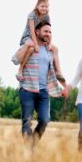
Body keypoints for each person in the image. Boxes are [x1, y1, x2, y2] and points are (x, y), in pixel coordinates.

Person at [19, 20, 66, 148]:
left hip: (43, 92)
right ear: (37, 32)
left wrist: (65, 85)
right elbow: (16, 59)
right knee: (27, 122)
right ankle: (28, 152)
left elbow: (58, 72)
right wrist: (24, 47)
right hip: (27, 89)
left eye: (50, 32)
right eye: (46, 31)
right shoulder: (29, 46)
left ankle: (31, 146)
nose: (48, 34)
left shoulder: (52, 50)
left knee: (45, 120)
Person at [12, 0, 65, 83]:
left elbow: (49, 29)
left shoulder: (47, 16)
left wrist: (50, 43)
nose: (44, 8)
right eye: (42, 6)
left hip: (39, 37)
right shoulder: (31, 15)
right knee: (32, 48)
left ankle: (58, 72)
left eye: (46, 6)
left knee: (55, 49)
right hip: (28, 36)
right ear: (37, 6)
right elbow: (32, 31)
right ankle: (20, 69)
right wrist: (36, 44)